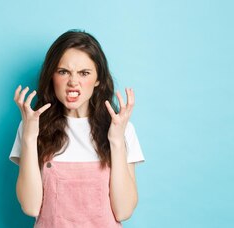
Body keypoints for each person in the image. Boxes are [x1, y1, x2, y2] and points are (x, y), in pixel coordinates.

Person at [9, 29, 145, 228]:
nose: (73, 82)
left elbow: (124, 210)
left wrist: (116, 141)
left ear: (98, 79)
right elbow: (30, 207)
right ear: (52, 76)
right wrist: (29, 138)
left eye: (84, 73)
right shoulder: (32, 126)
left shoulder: (121, 129)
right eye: (63, 72)